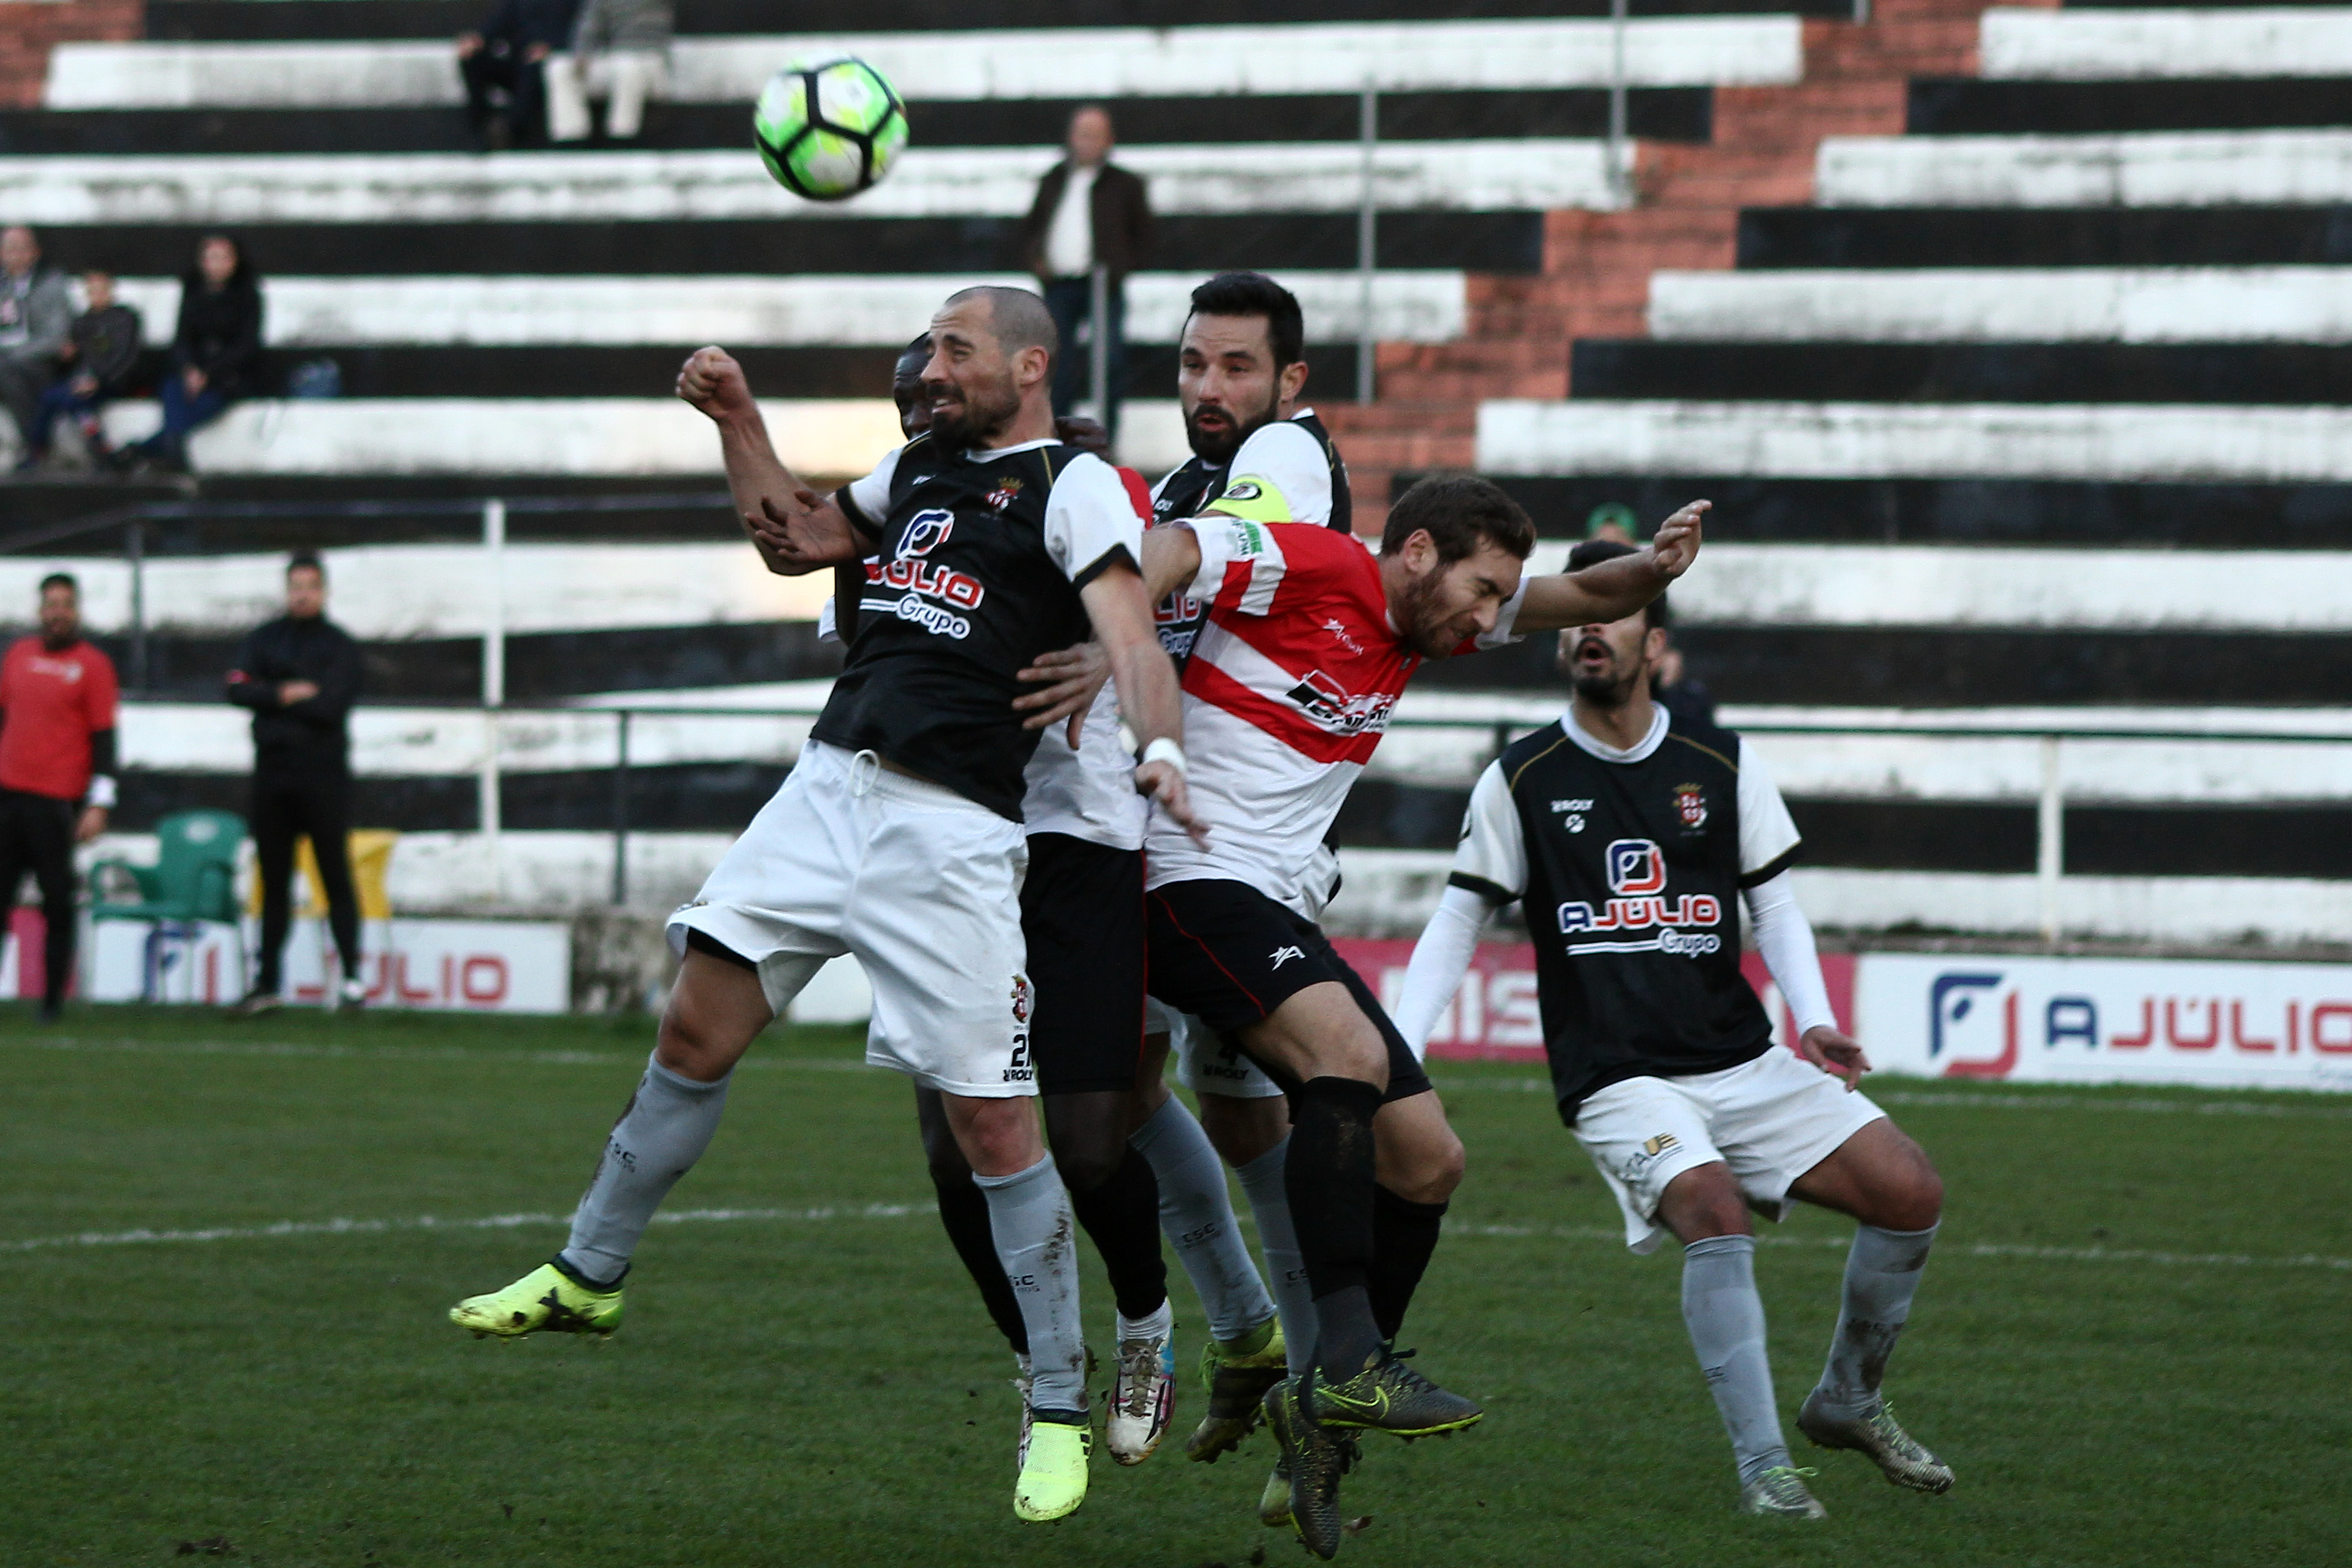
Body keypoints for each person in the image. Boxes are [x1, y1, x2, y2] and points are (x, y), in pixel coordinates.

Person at [449, 285, 1198, 1528]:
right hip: (827, 781)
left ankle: (1056, 1403)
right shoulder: (916, 466)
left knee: (991, 1128)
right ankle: (590, 1270)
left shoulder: (1070, 483)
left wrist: (1158, 752)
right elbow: (793, 538)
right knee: (693, 1027)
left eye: (957, 349)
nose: (934, 366)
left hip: (952, 824)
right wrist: (736, 417)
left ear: (1029, 362)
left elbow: (1131, 633)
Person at [1121, 477, 1701, 1557]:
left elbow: (1577, 591)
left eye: (1498, 600)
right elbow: (1172, 549)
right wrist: (1112, 635)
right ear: (1420, 552)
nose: (1487, 621)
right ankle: (1341, 1365)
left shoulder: (1431, 616)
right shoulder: (1324, 564)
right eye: (1480, 591)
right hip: (1179, 871)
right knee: (1335, 1056)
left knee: (1428, 1159)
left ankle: (1321, 1405)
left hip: (1267, 898)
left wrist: (1655, 572)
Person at [1391, 535, 1951, 1521]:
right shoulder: (1519, 778)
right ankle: (1767, 1470)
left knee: (1910, 1191)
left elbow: (1774, 907)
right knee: (1710, 1203)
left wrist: (1813, 1023)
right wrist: (1401, 1054)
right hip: (1618, 1076)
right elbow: (1455, 923)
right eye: (1576, 615)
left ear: (1657, 640)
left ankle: (1848, 1401)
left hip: (1741, 1057)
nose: (1591, 629)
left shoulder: (1720, 764)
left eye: (1613, 613)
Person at [225, 553, 366, 1015]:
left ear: (323, 591)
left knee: (334, 877)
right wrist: (286, 692)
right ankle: (267, 982)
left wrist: (273, 697)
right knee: (274, 881)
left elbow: (332, 706)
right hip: (273, 776)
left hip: (323, 777)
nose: (302, 594)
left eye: (310, 586)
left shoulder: (340, 645)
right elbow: (236, 687)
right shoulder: (264, 638)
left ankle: (351, 980)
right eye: (295, 586)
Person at [0, 575, 118, 1021]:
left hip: (55, 802)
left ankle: (51, 1001)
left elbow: (105, 738)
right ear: (39, 610)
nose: (58, 613)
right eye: (51, 604)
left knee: (56, 902)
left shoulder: (93, 665)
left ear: (78, 611)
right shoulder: (17, 655)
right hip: (8, 794)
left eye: (66, 605)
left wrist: (99, 802)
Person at [1020, 107, 1153, 446]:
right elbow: (1031, 226)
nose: (1087, 143)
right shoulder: (1054, 179)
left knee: (1109, 363)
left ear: (1109, 141)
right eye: (1082, 134)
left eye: (1095, 135)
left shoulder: (1125, 184)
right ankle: (1056, 440)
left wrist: (1118, 267)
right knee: (1055, 366)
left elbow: (1144, 234)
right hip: (1059, 287)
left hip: (1103, 287)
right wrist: (1038, 261)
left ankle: (1104, 441)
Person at [123, 235, 261, 474]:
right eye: (212, 257)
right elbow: (183, 338)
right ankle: (167, 452)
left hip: (227, 374)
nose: (217, 264)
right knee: (172, 388)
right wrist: (190, 368)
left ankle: (141, 450)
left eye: (224, 258)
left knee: (206, 403)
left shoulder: (249, 296)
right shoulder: (193, 292)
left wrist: (209, 373)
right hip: (190, 369)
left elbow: (246, 346)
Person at [16, 271, 143, 473]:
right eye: (91, 292)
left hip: (113, 381)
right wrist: (67, 357)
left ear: (111, 291)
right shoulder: (82, 322)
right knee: (51, 397)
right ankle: (38, 449)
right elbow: (75, 359)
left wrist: (100, 380)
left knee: (75, 402)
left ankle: (100, 448)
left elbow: (126, 357)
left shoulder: (124, 319)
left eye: (101, 290)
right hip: (82, 382)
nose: (96, 296)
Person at [455, 0, 581, 151]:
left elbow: (581, 32)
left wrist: (550, 47)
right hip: (518, 61)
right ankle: (482, 124)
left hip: (548, 63)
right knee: (472, 60)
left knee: (533, 68)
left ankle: (510, 129)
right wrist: (476, 40)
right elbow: (498, 22)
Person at [545, 0, 670, 144]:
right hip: (614, 60)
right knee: (560, 67)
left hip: (650, 61)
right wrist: (582, 55)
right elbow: (589, 30)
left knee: (627, 66)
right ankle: (571, 138)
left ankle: (622, 136)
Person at [0, 226, 74, 463]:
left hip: (39, 362)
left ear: (35, 253)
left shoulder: (51, 283)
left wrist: (15, 354)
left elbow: (55, 337)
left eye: (23, 249)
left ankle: (33, 443)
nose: (16, 255)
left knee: (7, 370)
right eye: (10, 249)